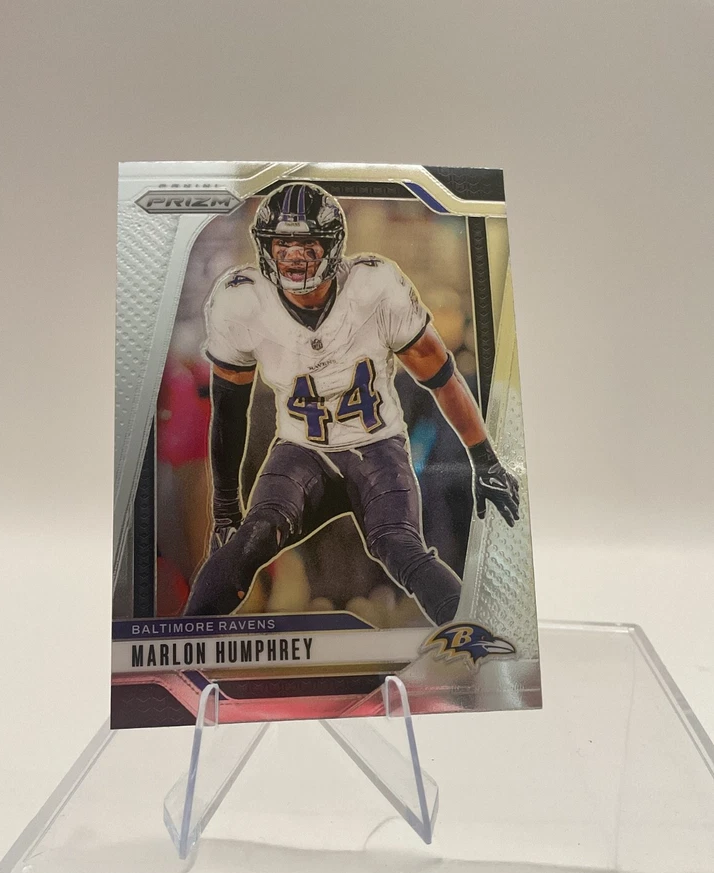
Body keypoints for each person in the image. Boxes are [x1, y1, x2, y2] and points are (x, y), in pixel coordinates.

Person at [185, 183, 518, 626]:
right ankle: (182, 641)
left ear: (332, 246)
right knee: (252, 537)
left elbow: (441, 376)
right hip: (302, 450)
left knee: (401, 547)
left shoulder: (373, 287)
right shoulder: (242, 299)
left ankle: (476, 637)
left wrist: (486, 460)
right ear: (265, 247)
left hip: (376, 447)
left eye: (308, 246)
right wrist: (226, 506)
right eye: (282, 245)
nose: (294, 258)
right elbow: (230, 407)